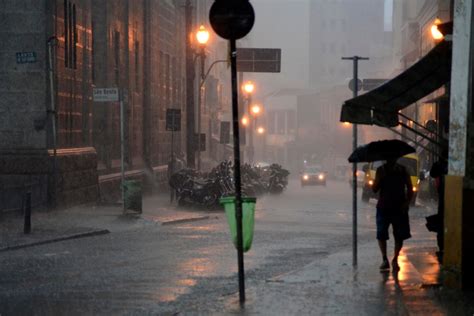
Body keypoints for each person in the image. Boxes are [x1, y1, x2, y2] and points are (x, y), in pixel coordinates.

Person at [372, 157, 413, 271]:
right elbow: (375, 189)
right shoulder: (381, 170)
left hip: (398, 208)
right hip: (384, 207)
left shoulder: (403, 170)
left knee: (399, 235)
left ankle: (395, 259)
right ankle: (385, 259)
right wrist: (380, 179)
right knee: (381, 234)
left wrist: (407, 203)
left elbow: (410, 187)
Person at [429, 149, 448, 262]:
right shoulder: (440, 165)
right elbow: (432, 173)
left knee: (441, 222)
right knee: (442, 222)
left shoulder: (440, 165)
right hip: (443, 196)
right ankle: (442, 247)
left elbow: (432, 173)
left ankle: (442, 248)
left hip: (444, 197)